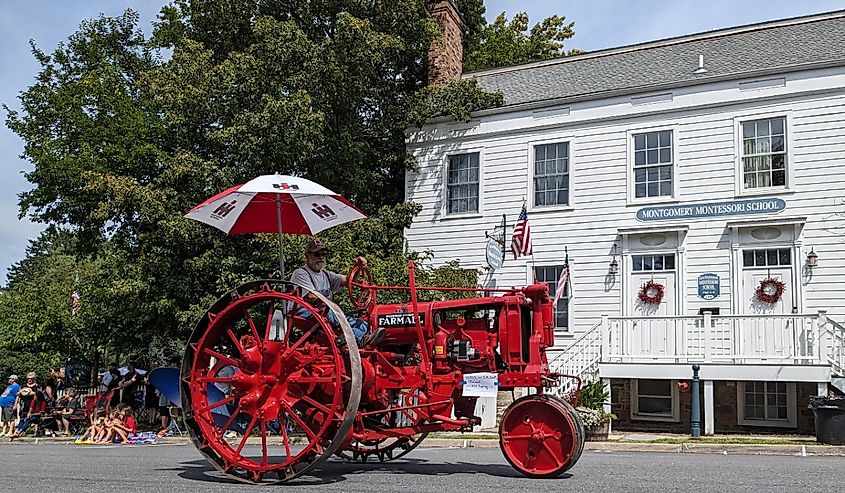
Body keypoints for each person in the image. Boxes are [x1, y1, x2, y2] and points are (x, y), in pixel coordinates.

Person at [290, 239, 382, 346]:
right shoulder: (301, 273)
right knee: (333, 312)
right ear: (307, 256)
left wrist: (357, 267)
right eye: (317, 254)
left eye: (323, 254)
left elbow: (348, 281)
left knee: (362, 324)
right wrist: (334, 308)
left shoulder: (326, 275)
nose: (321, 257)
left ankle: (361, 339)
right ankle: (351, 340)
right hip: (304, 312)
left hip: (323, 312)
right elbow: (311, 296)